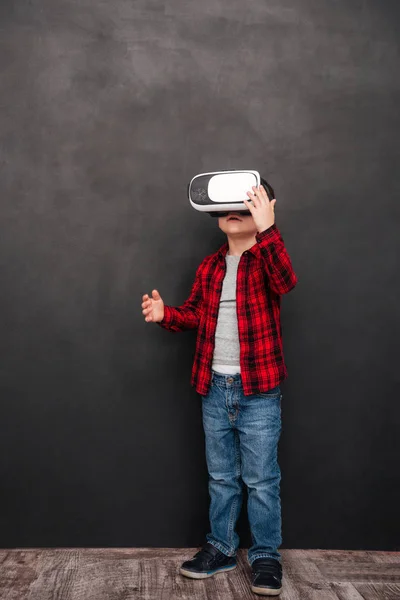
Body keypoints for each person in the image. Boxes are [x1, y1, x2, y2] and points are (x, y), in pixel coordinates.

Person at [141, 181, 298, 596]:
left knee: (262, 479)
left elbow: (285, 282)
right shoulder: (210, 266)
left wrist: (269, 231)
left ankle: (266, 554)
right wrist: (165, 314)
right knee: (222, 477)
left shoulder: (266, 258)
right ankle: (221, 546)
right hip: (214, 387)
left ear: (261, 211)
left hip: (258, 391)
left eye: (246, 207)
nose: (236, 213)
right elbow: (194, 313)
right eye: (229, 208)